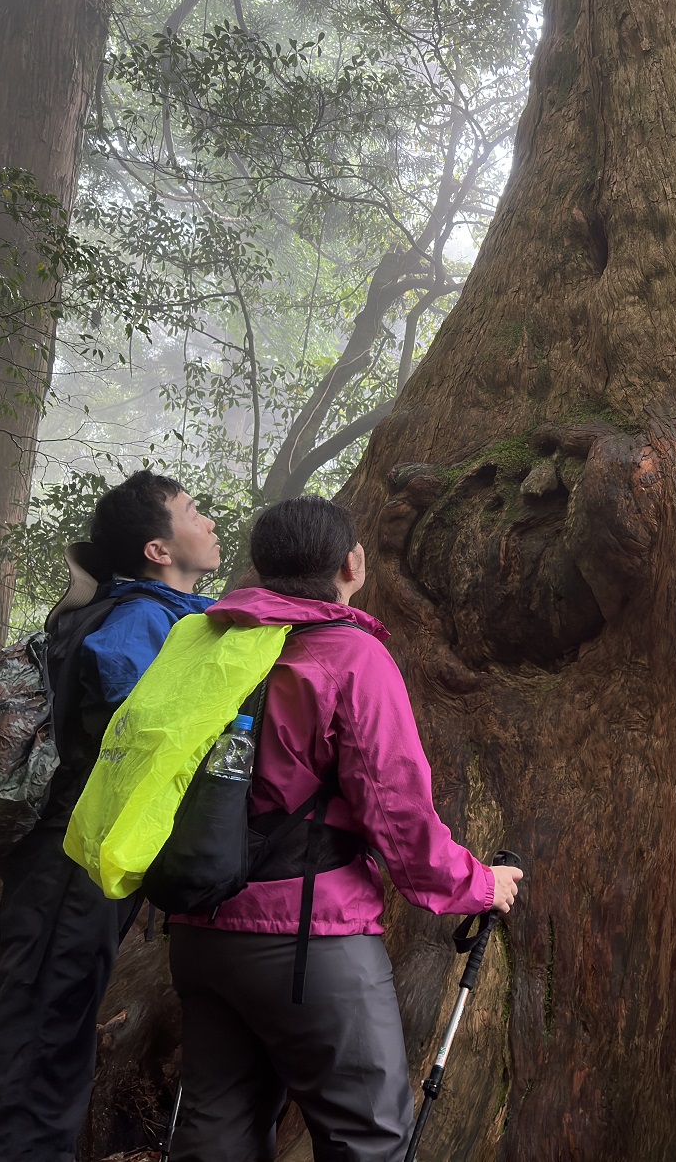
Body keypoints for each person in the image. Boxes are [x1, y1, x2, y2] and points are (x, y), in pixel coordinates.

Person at [167, 495, 522, 1162]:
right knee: (368, 1141)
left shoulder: (210, 644)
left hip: (198, 929)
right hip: (310, 942)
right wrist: (479, 885)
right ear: (352, 564)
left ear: (260, 568)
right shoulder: (348, 656)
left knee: (216, 1136)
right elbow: (399, 814)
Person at [0, 470, 221, 1162]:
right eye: (192, 511)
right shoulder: (140, 617)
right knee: (41, 1065)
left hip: (72, 869)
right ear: (157, 548)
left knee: (15, 1048)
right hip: (71, 867)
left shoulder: (142, 610)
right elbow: (138, 709)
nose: (206, 522)